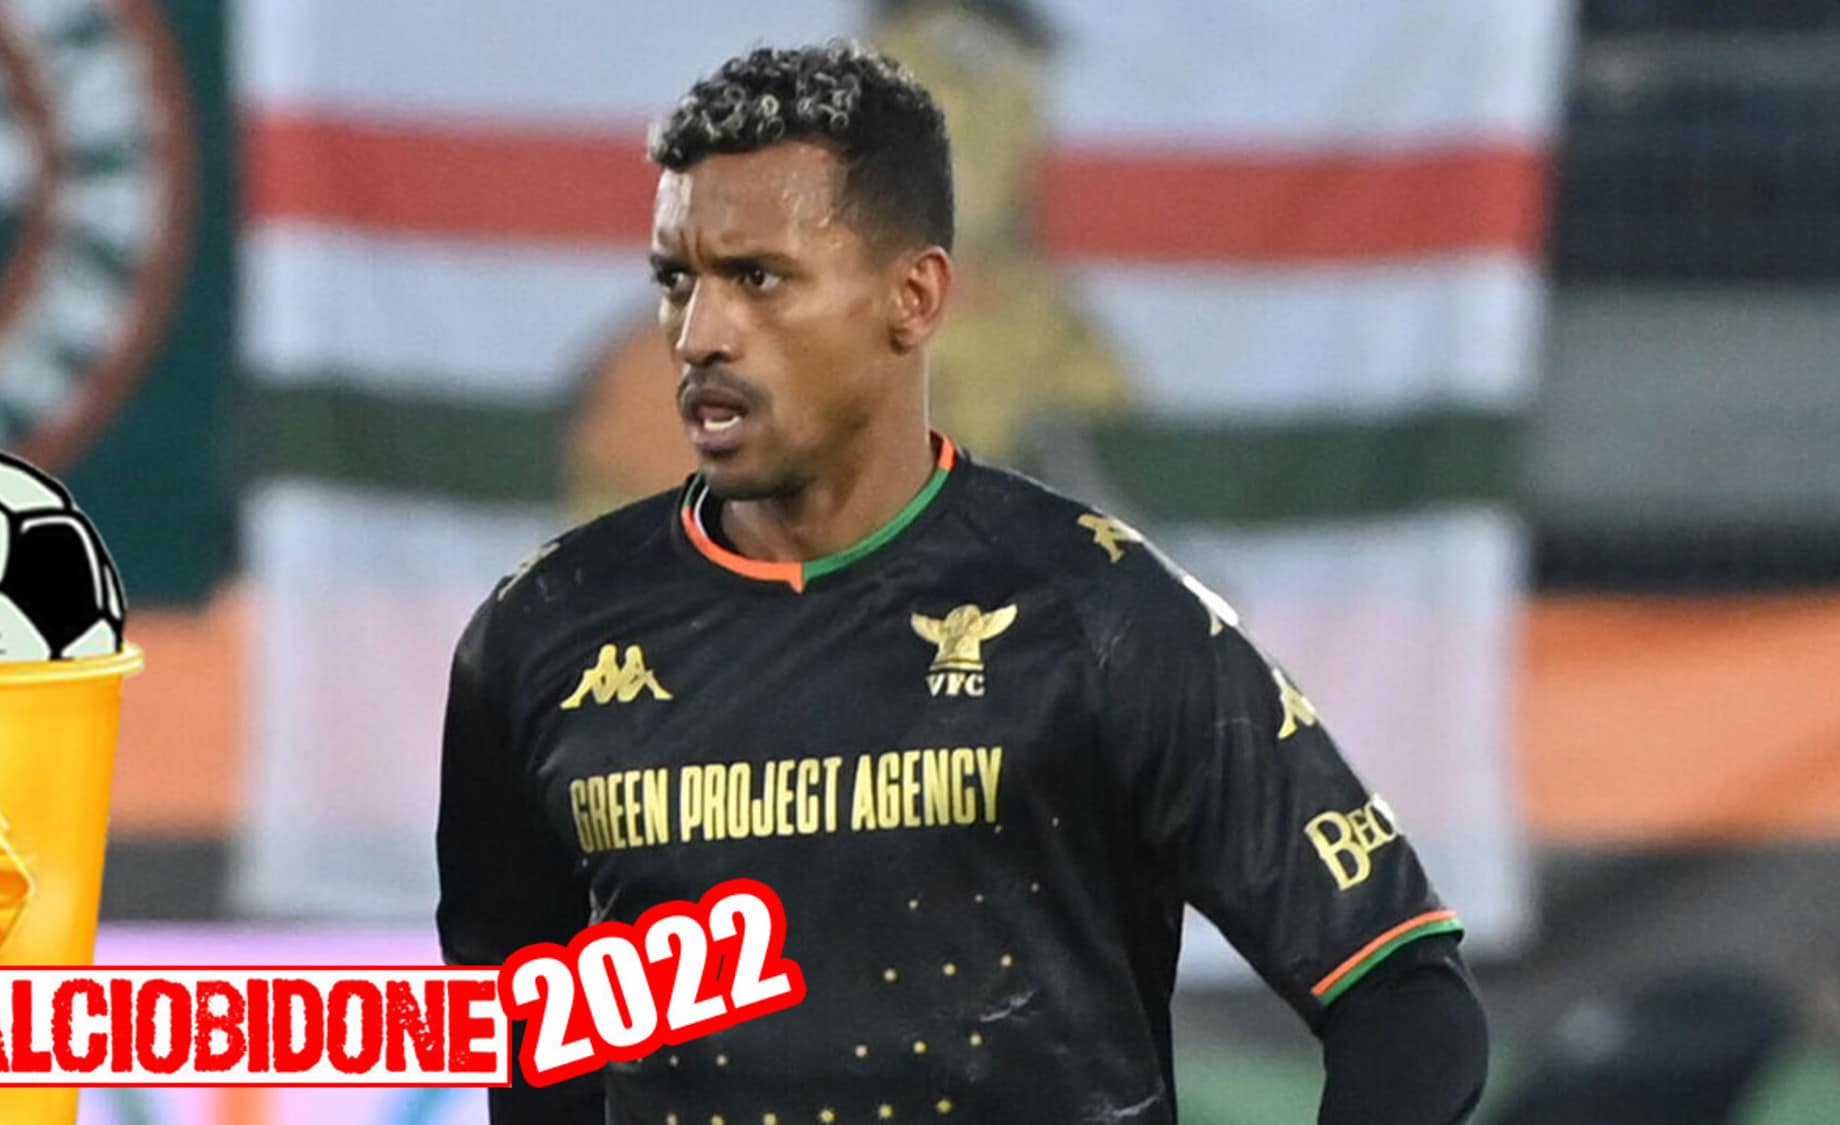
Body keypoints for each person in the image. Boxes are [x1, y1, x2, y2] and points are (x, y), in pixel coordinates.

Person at [438, 41, 1488, 1125]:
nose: (700, 335)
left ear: (913, 296)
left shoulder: (1104, 616)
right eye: (676, 280)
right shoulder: (537, 638)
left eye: (757, 278)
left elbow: (1405, 995)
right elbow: (526, 1049)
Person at [560, 0, 1129, 522]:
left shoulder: (1058, 341)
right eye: (941, 87)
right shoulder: (674, 366)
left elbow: (1128, 507)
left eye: (1000, 98)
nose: (976, 134)